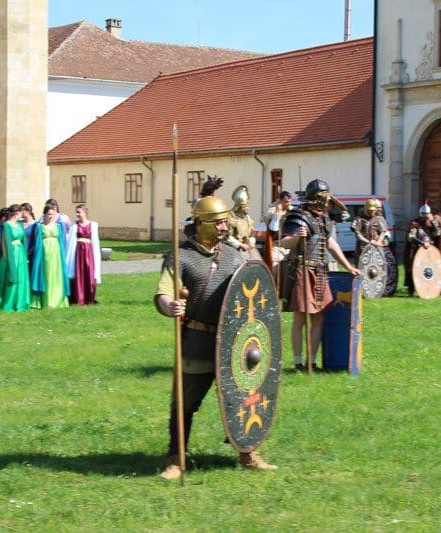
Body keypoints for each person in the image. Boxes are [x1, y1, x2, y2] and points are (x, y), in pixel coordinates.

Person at [154, 194, 277, 478]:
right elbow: (164, 292)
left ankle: (248, 453)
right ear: (200, 223)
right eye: (219, 223)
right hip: (197, 340)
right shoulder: (181, 256)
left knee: (242, 398)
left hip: (234, 342)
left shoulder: (233, 256)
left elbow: (251, 289)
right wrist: (170, 306)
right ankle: (176, 459)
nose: (224, 227)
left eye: (225, 222)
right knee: (185, 402)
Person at [280, 179, 360, 370]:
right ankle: (298, 362)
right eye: (323, 198)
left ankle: (312, 361)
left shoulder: (323, 219)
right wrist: (297, 237)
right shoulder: (299, 216)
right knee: (300, 319)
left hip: (320, 272)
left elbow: (331, 245)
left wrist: (348, 267)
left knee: (318, 319)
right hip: (303, 270)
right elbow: (284, 242)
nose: (326, 202)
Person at [30, 205, 69, 309]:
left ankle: (58, 300)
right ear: (44, 215)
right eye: (48, 214)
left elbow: (62, 242)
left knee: (57, 274)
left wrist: (63, 256)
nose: (50, 216)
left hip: (56, 254)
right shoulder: (39, 226)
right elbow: (36, 242)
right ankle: (47, 300)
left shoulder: (58, 226)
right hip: (45, 254)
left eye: (52, 214)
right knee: (47, 275)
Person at [0, 204, 31, 312]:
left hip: (20, 254)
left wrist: (25, 256)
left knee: (21, 276)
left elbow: (23, 240)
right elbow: (4, 243)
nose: (22, 214)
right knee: (12, 276)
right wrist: (6, 258)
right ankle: (9, 302)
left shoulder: (19, 225)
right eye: (21, 212)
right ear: (16, 212)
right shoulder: (6, 225)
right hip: (11, 254)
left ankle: (20, 302)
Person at [403, 201, 441, 296]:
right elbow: (411, 237)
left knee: (428, 270)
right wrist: (422, 243)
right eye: (423, 214)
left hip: (428, 251)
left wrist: (433, 222)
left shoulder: (431, 223)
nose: (424, 216)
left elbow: (437, 233)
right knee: (413, 269)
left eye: (426, 214)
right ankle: (411, 288)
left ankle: (427, 288)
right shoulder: (415, 223)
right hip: (416, 250)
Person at [66, 204, 102, 305]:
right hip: (78, 252)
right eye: (76, 212)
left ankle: (89, 297)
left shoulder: (92, 225)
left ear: (85, 212)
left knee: (89, 271)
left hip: (88, 252)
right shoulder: (74, 225)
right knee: (78, 272)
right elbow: (71, 240)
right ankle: (78, 297)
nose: (77, 214)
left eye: (79, 212)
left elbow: (95, 241)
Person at [226, 185, 261, 261]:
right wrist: (240, 245)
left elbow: (251, 234)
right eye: (245, 206)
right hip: (233, 250)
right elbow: (227, 237)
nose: (248, 208)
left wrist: (251, 242)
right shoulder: (230, 217)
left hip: (247, 249)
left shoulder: (247, 218)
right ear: (239, 207)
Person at [263, 191, 293, 270]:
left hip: (289, 245)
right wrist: (277, 213)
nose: (288, 204)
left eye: (289, 202)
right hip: (277, 246)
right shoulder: (272, 212)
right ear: (280, 201)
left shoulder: (291, 211)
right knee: (275, 270)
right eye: (286, 202)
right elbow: (273, 228)